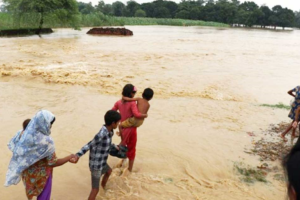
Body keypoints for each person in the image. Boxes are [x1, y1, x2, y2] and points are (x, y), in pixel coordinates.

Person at [5, 110, 75, 200]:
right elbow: (52, 163)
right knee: (43, 197)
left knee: (32, 194)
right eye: (50, 124)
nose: (50, 126)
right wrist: (68, 157)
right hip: (43, 176)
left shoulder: (22, 134)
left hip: (28, 174)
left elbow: (12, 146)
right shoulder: (47, 142)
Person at [71, 110, 121, 200]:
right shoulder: (102, 134)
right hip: (96, 165)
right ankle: (99, 189)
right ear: (113, 123)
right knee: (95, 190)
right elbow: (90, 144)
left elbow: (107, 143)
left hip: (102, 162)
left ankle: (103, 188)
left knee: (109, 171)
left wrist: (114, 146)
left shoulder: (110, 131)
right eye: (117, 122)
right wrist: (78, 155)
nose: (118, 124)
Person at [112, 84, 147, 174]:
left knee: (124, 146)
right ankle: (129, 170)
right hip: (131, 129)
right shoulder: (132, 103)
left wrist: (118, 121)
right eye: (134, 93)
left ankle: (123, 162)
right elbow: (136, 114)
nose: (134, 94)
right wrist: (144, 115)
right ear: (131, 93)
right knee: (132, 149)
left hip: (123, 128)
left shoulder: (118, 102)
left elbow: (112, 112)